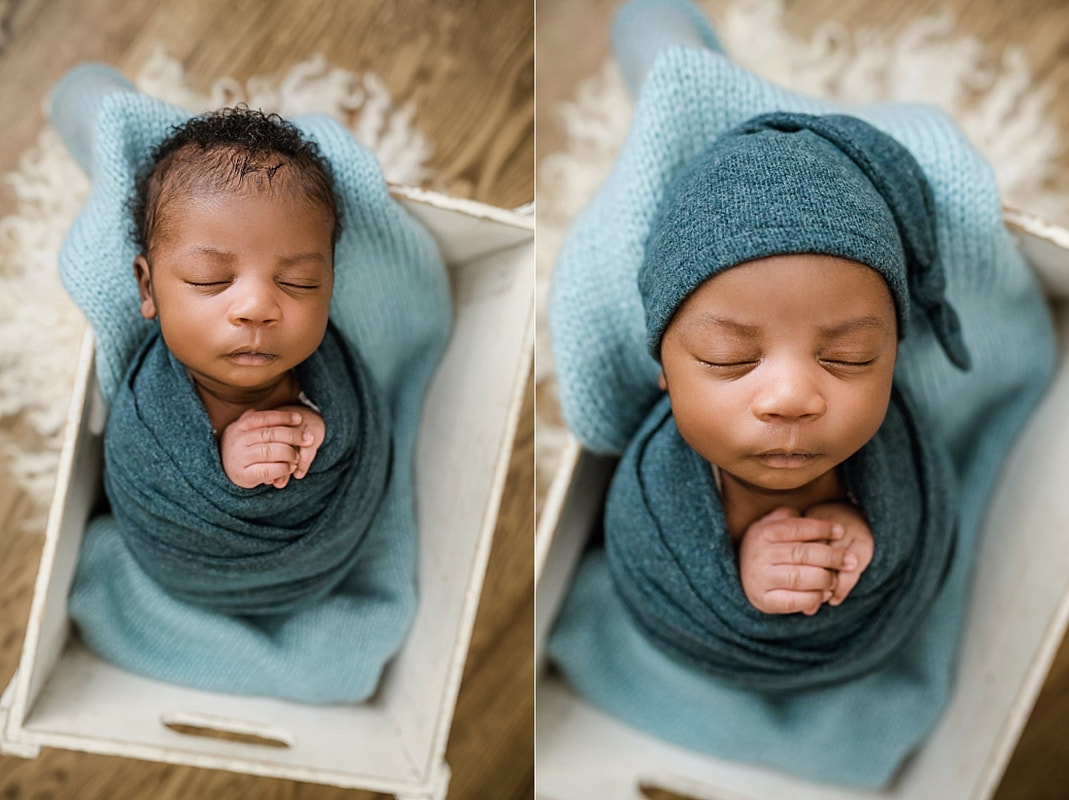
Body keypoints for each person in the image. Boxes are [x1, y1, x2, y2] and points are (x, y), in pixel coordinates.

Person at [130, 107, 336, 490]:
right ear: (148, 287)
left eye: (299, 282)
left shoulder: (333, 377)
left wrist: (317, 434)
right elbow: (147, 495)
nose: (257, 309)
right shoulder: (149, 417)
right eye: (210, 279)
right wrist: (225, 478)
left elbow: (358, 445)